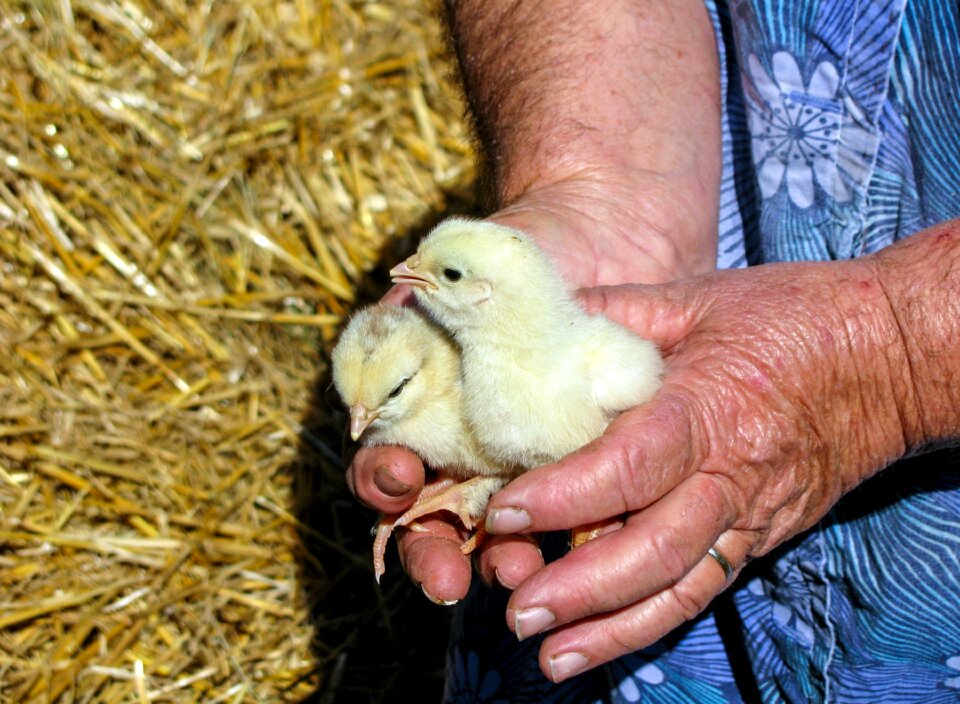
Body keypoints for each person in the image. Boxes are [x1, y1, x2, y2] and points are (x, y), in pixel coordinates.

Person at [347, 0, 960, 700]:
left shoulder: (586, 362)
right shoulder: (497, 348)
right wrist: (597, 182)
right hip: (694, 310)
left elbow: (622, 377)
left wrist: (899, 353)